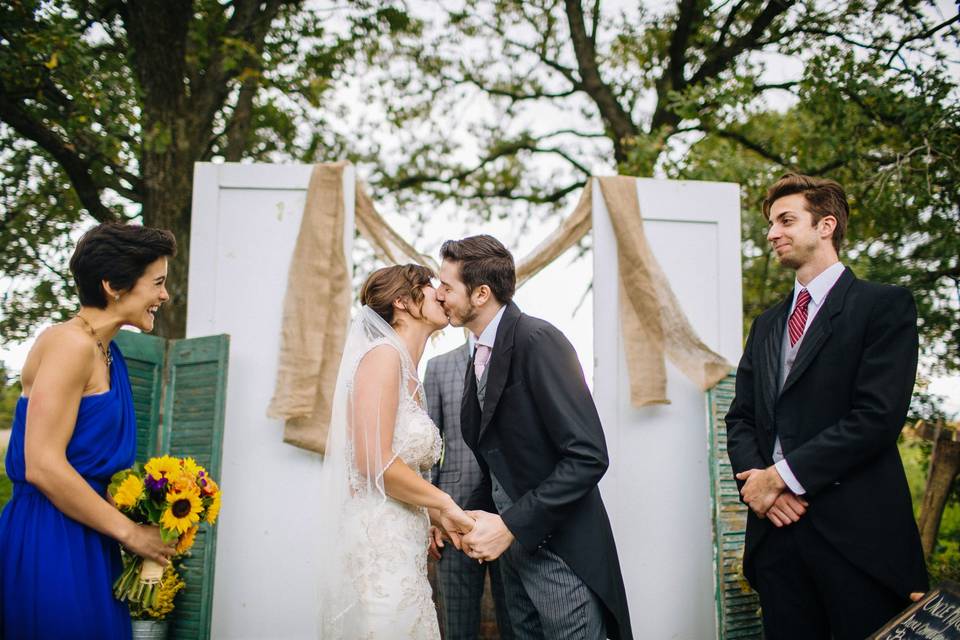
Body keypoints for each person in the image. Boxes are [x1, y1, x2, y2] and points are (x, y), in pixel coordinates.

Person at [725, 173, 928, 640]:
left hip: (856, 539)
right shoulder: (768, 323)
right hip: (775, 539)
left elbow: (876, 417)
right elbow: (741, 418)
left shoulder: (883, 306)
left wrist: (780, 478)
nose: (772, 233)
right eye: (771, 223)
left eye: (785, 220)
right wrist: (761, 488)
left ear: (826, 225)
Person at [435, 235, 633, 640]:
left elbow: (588, 456)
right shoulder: (478, 353)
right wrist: (462, 515)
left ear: (481, 294)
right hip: (514, 562)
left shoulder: (538, 341)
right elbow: (502, 463)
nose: (439, 295)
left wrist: (510, 525)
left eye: (447, 286)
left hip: (561, 554)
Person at [0, 222, 179, 639]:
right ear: (115, 285)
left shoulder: (107, 350)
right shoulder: (69, 344)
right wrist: (131, 533)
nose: (164, 295)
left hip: (91, 538)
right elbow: (41, 465)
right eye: (157, 283)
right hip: (50, 538)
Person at [317, 264, 475, 639]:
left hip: (405, 549)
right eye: (429, 284)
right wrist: (445, 502)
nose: (440, 292)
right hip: (378, 551)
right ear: (403, 301)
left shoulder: (409, 373)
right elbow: (373, 461)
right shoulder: (382, 356)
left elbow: (404, 468)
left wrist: (436, 514)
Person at [424, 342, 514, 639]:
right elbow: (427, 449)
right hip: (454, 512)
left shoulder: (518, 357)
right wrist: (431, 514)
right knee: (457, 623)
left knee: (516, 622)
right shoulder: (438, 366)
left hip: (511, 514)